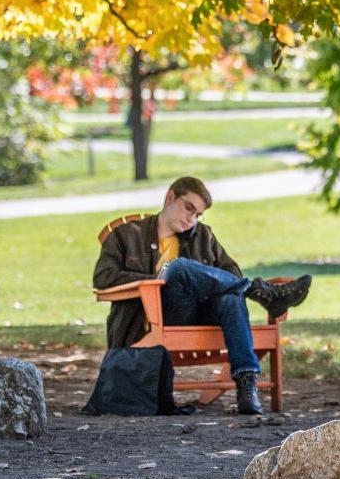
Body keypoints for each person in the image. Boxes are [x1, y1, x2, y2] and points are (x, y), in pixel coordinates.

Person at [93, 176, 311, 414]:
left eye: (198, 214)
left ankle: (246, 385)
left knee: (230, 298)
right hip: (151, 320)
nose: (191, 219)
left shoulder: (202, 236)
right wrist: (156, 280)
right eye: (188, 208)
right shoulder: (127, 234)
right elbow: (103, 278)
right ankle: (260, 293)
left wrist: (205, 281)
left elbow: (231, 273)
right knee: (178, 268)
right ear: (170, 197)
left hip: (198, 315)